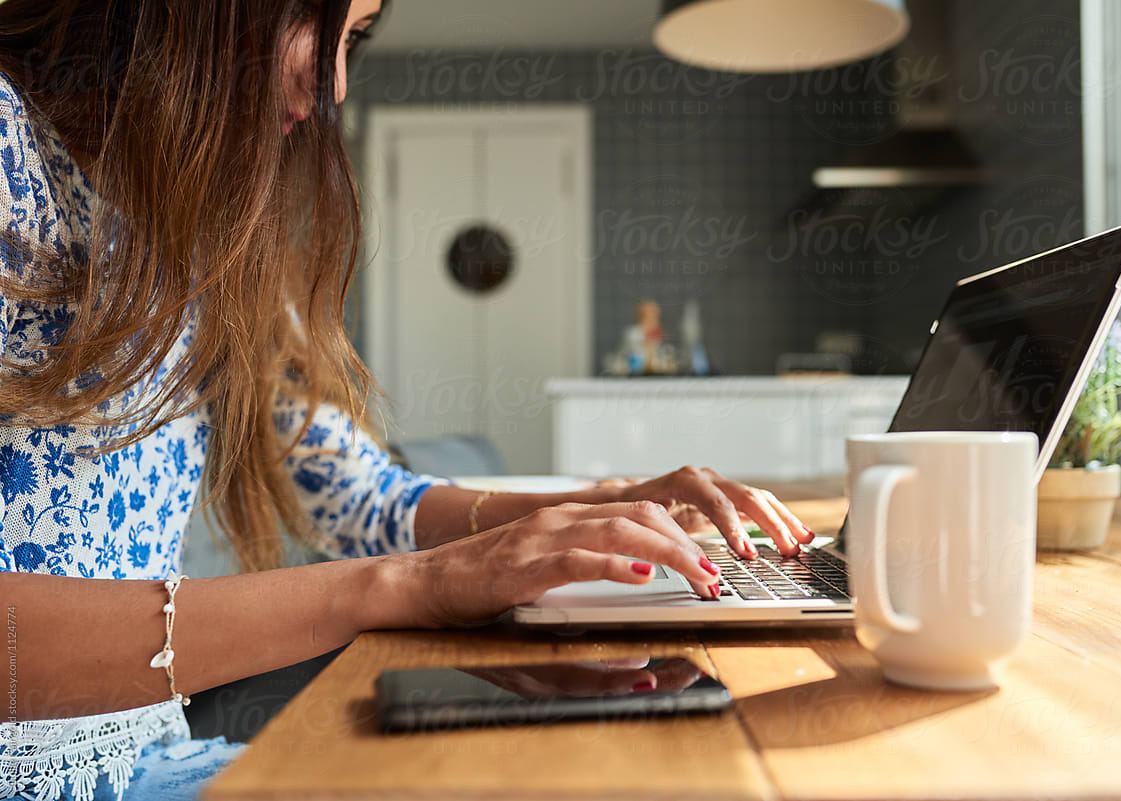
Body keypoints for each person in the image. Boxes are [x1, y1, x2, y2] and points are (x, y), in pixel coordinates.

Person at [0, 1, 816, 799]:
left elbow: (360, 493)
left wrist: (601, 507)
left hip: (155, 762)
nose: (336, 86)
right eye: (319, 29)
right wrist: (394, 586)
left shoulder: (197, 221)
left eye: (356, 37)